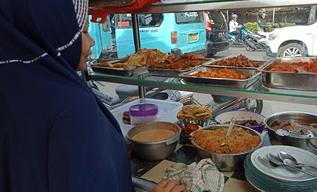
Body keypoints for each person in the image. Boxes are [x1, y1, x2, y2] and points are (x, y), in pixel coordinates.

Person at [0, 0, 185, 192]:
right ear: (56, 32)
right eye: (84, 31)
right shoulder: (71, 107)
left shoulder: (13, 90)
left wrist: (112, 151)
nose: (92, 41)